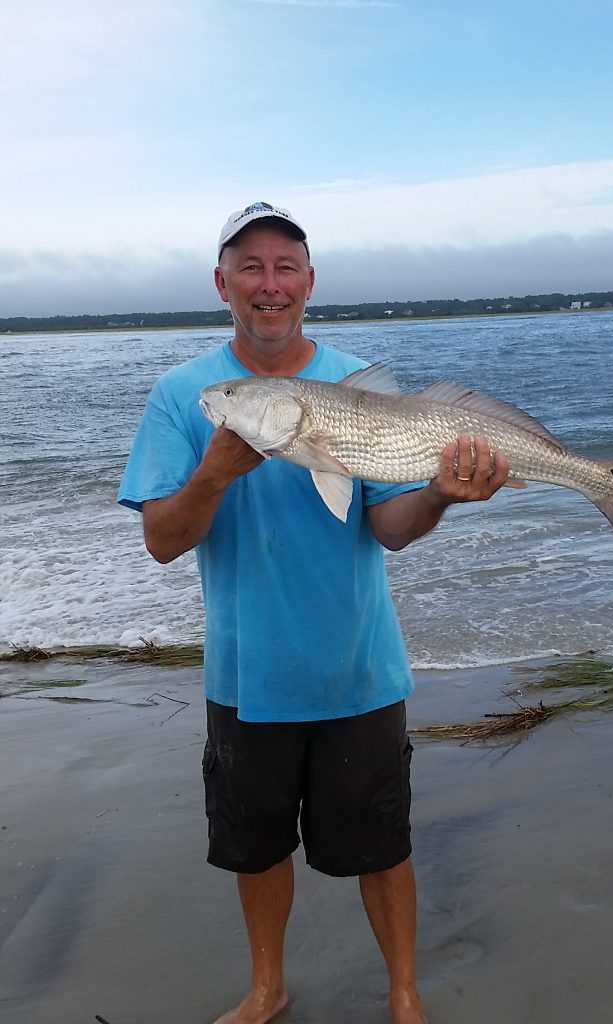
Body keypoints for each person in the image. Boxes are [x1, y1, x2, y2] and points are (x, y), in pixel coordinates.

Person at [118, 201, 510, 1024]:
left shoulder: (359, 378)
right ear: (221, 282)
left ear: (309, 281)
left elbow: (388, 528)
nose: (269, 284)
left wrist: (438, 493)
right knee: (255, 848)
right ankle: (268, 987)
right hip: (246, 674)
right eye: (250, 268)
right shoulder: (185, 396)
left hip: (360, 667)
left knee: (383, 843)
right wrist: (219, 471)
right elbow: (162, 540)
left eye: (285, 267)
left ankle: (404, 993)